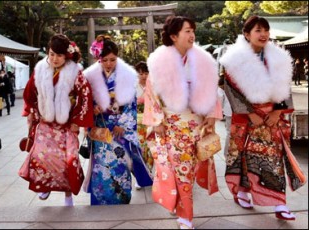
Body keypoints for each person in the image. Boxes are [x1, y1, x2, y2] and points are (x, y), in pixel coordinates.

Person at [219, 16, 305, 221]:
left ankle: (280, 203)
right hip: (246, 118)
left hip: (272, 119)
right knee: (244, 159)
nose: (263, 34)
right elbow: (229, 88)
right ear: (247, 34)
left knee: (274, 162)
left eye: (266, 30)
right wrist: (249, 113)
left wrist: (277, 112)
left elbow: (285, 88)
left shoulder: (279, 58)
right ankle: (242, 191)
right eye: (258, 30)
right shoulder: (234, 59)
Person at [142, 16, 222, 229]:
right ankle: (186, 216)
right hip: (171, 126)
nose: (192, 34)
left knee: (188, 171)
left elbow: (213, 91)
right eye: (187, 31)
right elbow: (150, 94)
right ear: (173, 36)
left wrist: (211, 115)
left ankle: (180, 206)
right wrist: (157, 119)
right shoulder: (159, 62)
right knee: (181, 171)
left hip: (195, 125)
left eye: (193, 30)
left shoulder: (202, 61)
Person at [18, 34, 94, 206]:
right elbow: (29, 94)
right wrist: (31, 112)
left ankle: (68, 195)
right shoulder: (40, 70)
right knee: (42, 156)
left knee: (67, 160)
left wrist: (77, 122)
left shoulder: (75, 73)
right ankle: (44, 185)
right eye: (52, 54)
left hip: (67, 124)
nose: (54, 58)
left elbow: (85, 97)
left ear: (66, 55)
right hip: (45, 124)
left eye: (59, 55)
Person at [83, 35, 153, 205]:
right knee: (100, 168)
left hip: (119, 131)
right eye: (104, 60)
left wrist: (123, 124)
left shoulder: (127, 76)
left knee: (120, 165)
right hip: (100, 130)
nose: (108, 64)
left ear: (117, 58)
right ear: (98, 59)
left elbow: (131, 104)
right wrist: (93, 110)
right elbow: (83, 102)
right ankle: (100, 200)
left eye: (112, 59)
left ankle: (121, 198)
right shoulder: (90, 77)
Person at [134, 61, 154, 190]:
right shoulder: (133, 86)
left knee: (151, 148)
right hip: (136, 120)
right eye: (140, 73)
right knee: (139, 147)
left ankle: (150, 172)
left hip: (150, 120)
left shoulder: (152, 85)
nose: (143, 76)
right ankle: (139, 177)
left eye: (146, 73)